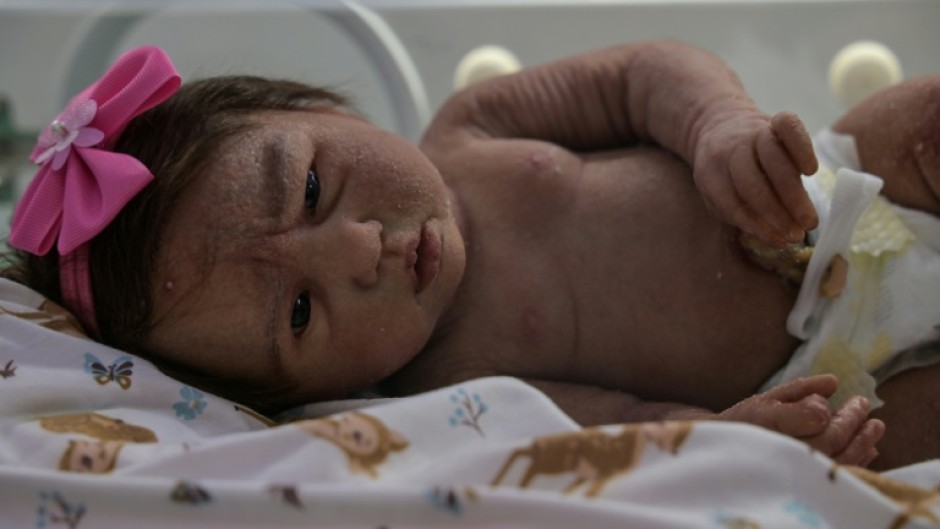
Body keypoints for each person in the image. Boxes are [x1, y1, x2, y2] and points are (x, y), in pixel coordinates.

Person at [4, 42, 939, 470]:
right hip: (826, 372)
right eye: (299, 312)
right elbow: (634, 422)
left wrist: (718, 125)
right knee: (893, 441)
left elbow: (637, 76)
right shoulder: (446, 388)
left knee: (916, 120)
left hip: (842, 191)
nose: (358, 253)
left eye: (315, 190)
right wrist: (745, 432)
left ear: (318, 110)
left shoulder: (474, 128)